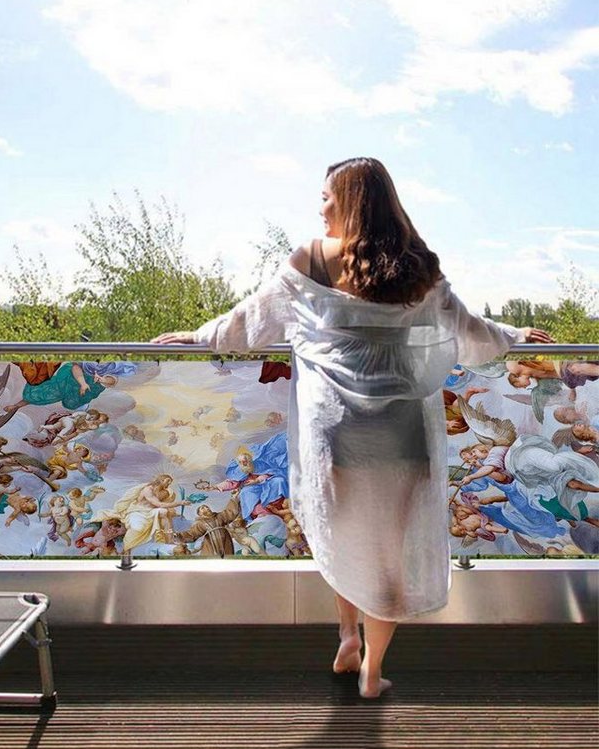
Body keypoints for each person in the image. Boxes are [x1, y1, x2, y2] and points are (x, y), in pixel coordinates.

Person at [153, 157, 552, 698]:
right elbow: (469, 331)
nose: (320, 208)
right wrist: (517, 334)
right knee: (387, 547)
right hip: (403, 432)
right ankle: (371, 668)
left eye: (326, 197)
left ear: (350, 200)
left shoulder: (312, 259)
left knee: (344, 533)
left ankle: (347, 635)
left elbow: (250, 320)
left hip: (337, 431)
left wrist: (200, 337)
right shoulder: (417, 265)